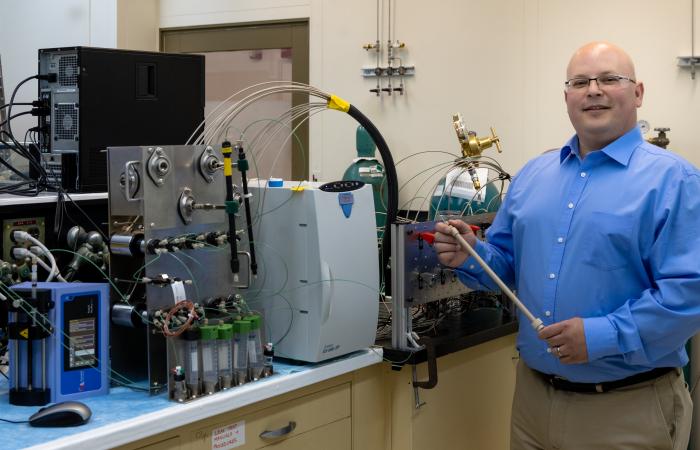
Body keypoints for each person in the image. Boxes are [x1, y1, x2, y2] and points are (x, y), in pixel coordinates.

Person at [434, 41, 700, 450]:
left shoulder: (675, 181)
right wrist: (472, 255)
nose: (593, 90)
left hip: (627, 410)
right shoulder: (533, 175)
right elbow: (505, 264)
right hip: (532, 401)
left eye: (610, 79)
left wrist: (600, 336)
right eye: (580, 82)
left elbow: (687, 297)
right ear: (567, 96)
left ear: (638, 92)